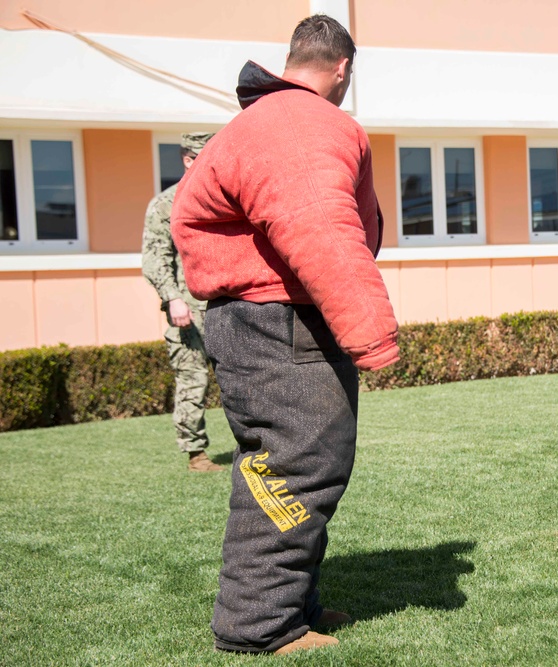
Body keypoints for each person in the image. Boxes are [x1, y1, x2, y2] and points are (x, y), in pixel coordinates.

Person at [170, 15, 399, 656]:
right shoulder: (303, 124)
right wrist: (372, 336)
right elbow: (318, 228)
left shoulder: (258, 122)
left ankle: (294, 602)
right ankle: (261, 625)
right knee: (294, 467)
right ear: (343, 69)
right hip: (280, 322)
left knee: (290, 462)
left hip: (255, 320)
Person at [141, 132, 223, 473]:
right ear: (188, 160)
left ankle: (254, 447)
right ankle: (196, 454)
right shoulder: (165, 204)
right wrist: (173, 299)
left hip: (225, 307)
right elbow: (154, 258)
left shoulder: (223, 199)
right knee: (193, 381)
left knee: (241, 381)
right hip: (188, 311)